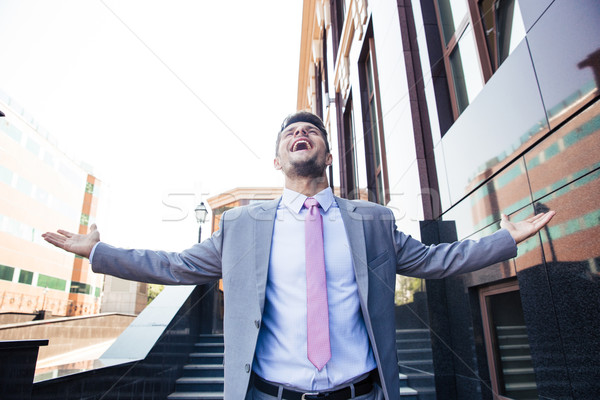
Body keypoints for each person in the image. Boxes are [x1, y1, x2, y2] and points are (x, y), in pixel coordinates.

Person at [43, 111, 555, 400]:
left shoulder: (372, 221)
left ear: (328, 155)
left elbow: (435, 261)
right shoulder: (242, 226)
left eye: (311, 131)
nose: (300, 134)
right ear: (277, 159)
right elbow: (174, 265)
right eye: (290, 133)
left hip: (363, 394)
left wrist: (505, 239)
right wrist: (100, 252)